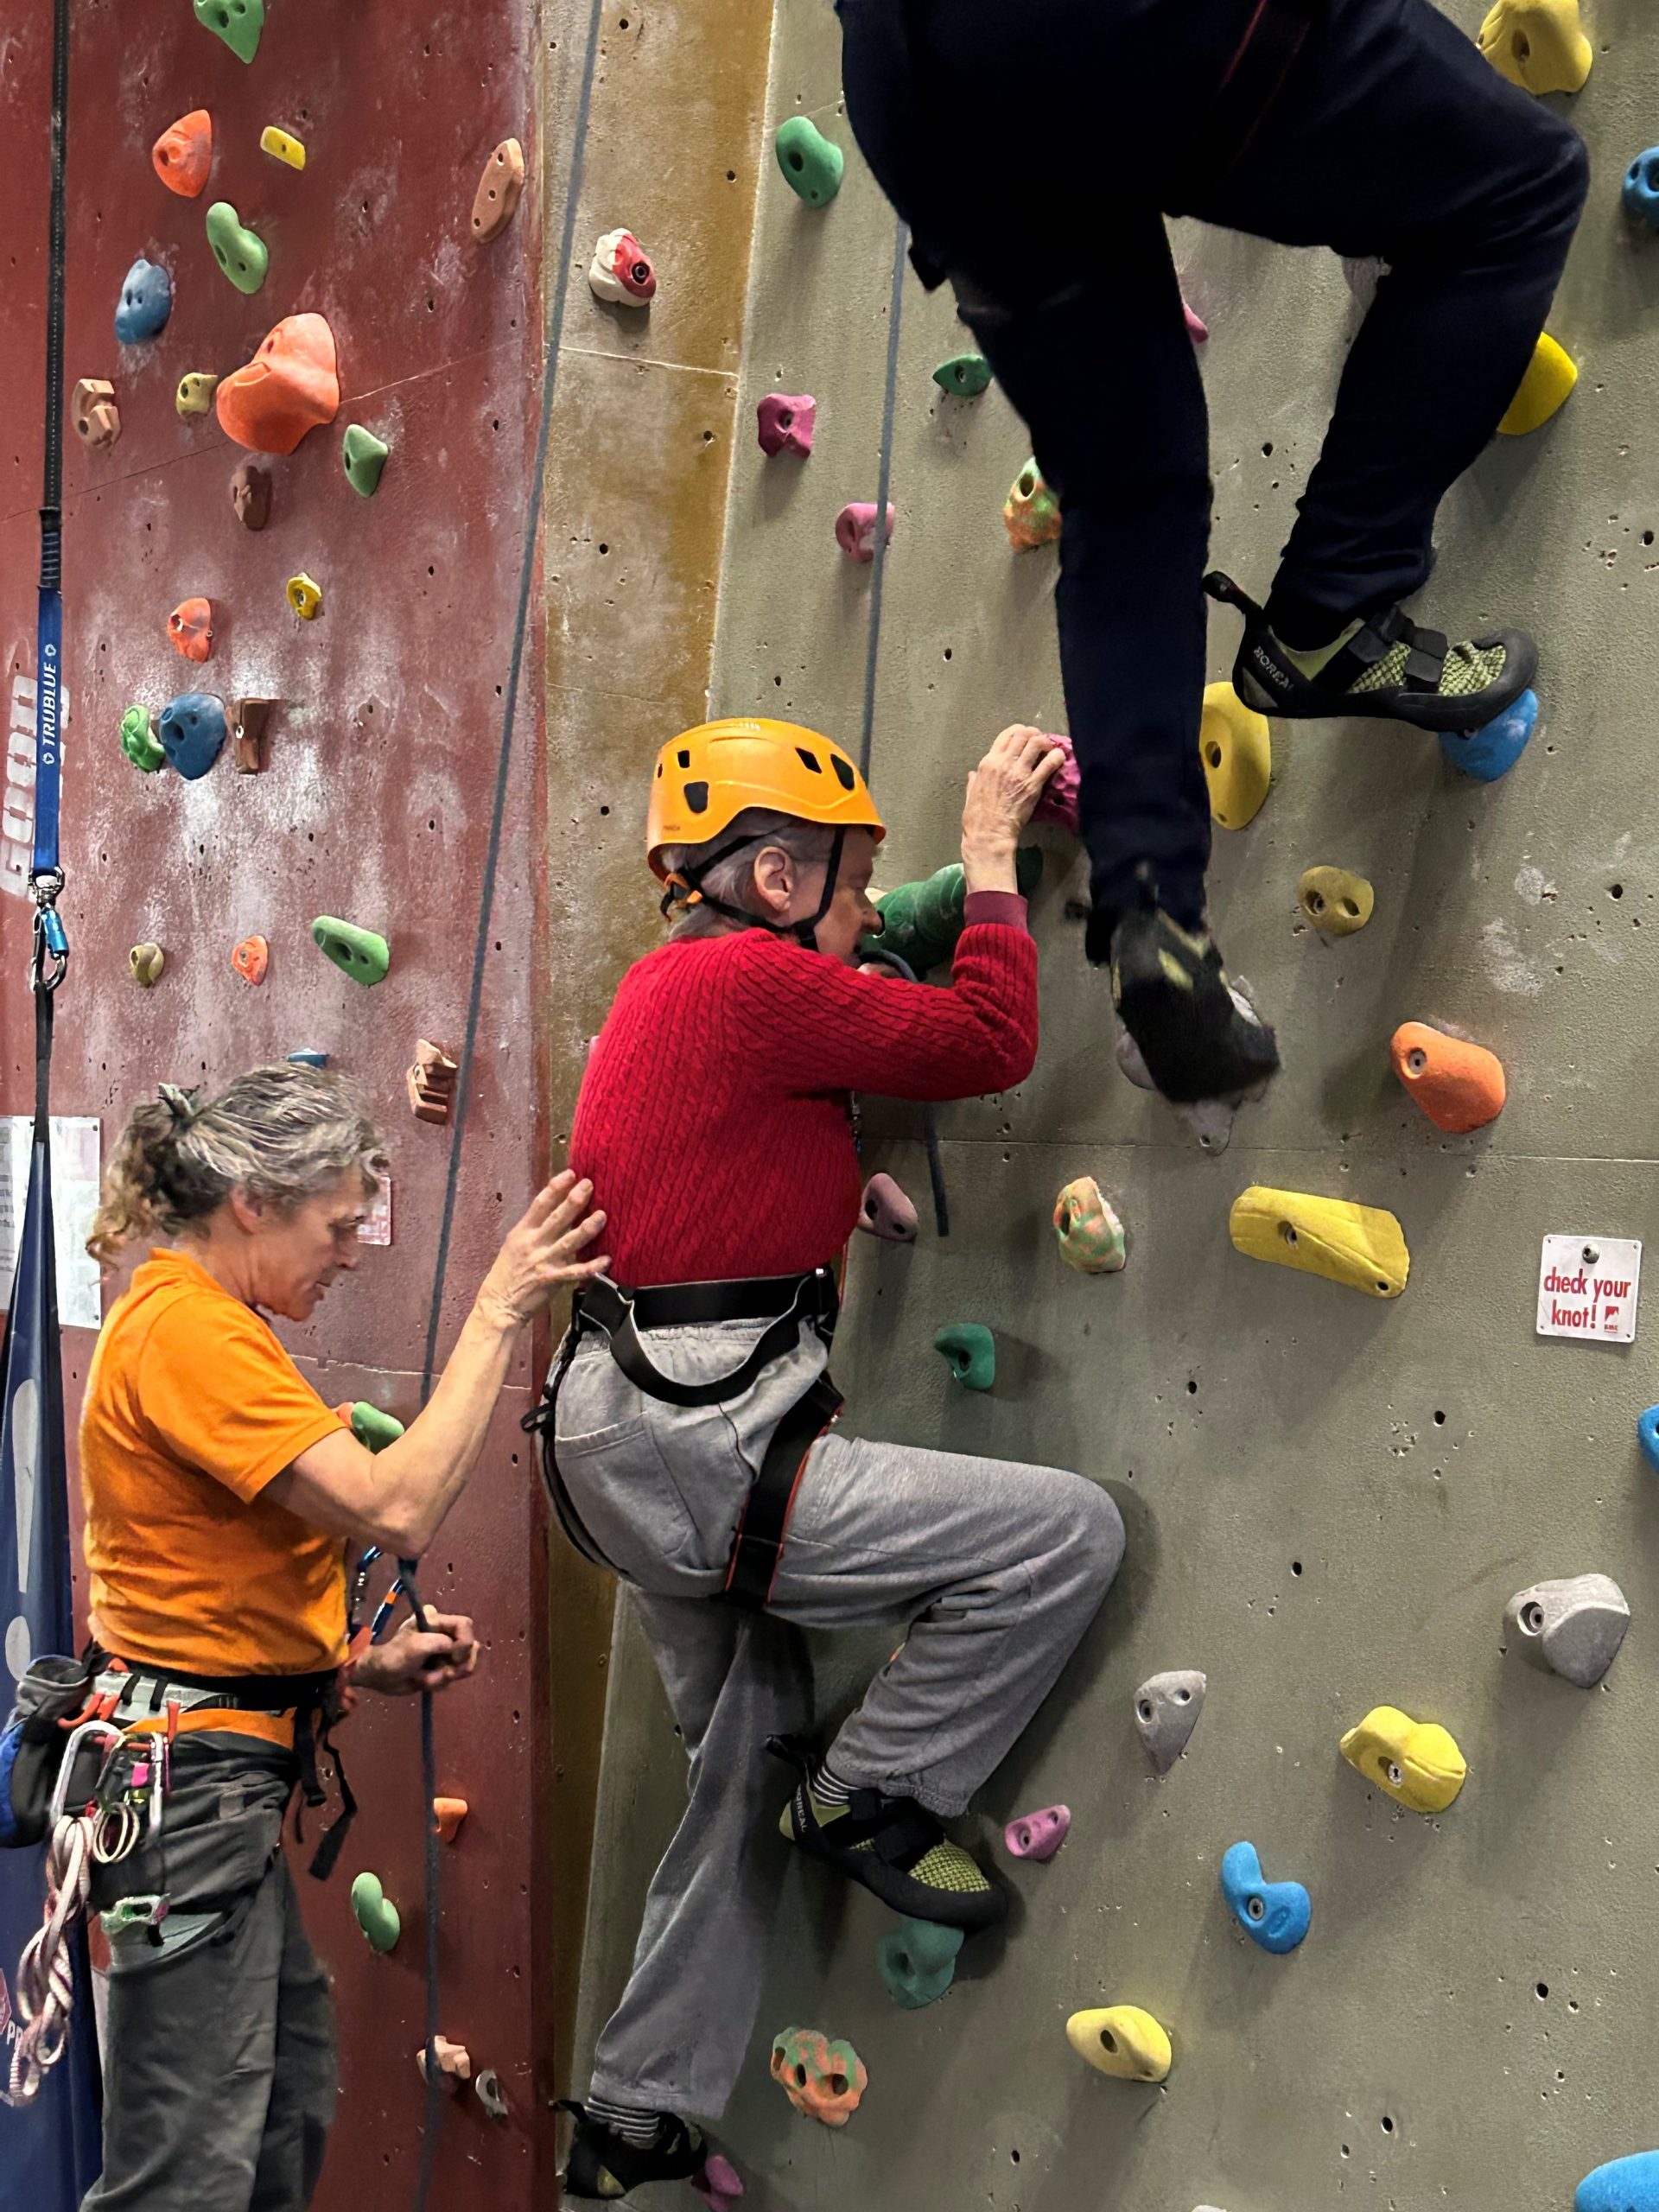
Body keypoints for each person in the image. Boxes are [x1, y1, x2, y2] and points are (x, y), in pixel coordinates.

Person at [538, 717, 1126, 2199]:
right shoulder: (743, 979)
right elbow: (987, 1042)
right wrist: (994, 849)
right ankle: (877, 1790)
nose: (866, 916)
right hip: (702, 1445)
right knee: (1064, 1535)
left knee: (739, 1768)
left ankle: (634, 2108)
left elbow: (847, 1012)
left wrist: (905, 929)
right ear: (780, 875)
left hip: (624, 1436)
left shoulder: (685, 982)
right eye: (852, 887)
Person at [836, 0, 1588, 1104]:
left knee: (1124, 487)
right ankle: (1338, 604)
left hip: (914, 92)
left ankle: (1155, 907)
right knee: (1515, 188)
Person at [72, 1063, 607, 2212]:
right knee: (187, 2172)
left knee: (281, 2116)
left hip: (213, 1782)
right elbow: (392, 1504)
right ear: (252, 1203)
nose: (355, 1249)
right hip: (189, 1795)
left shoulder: (214, 1325)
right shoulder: (183, 1332)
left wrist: (356, 1664)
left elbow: (196, 1592)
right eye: (340, 1222)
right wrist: (502, 1307)